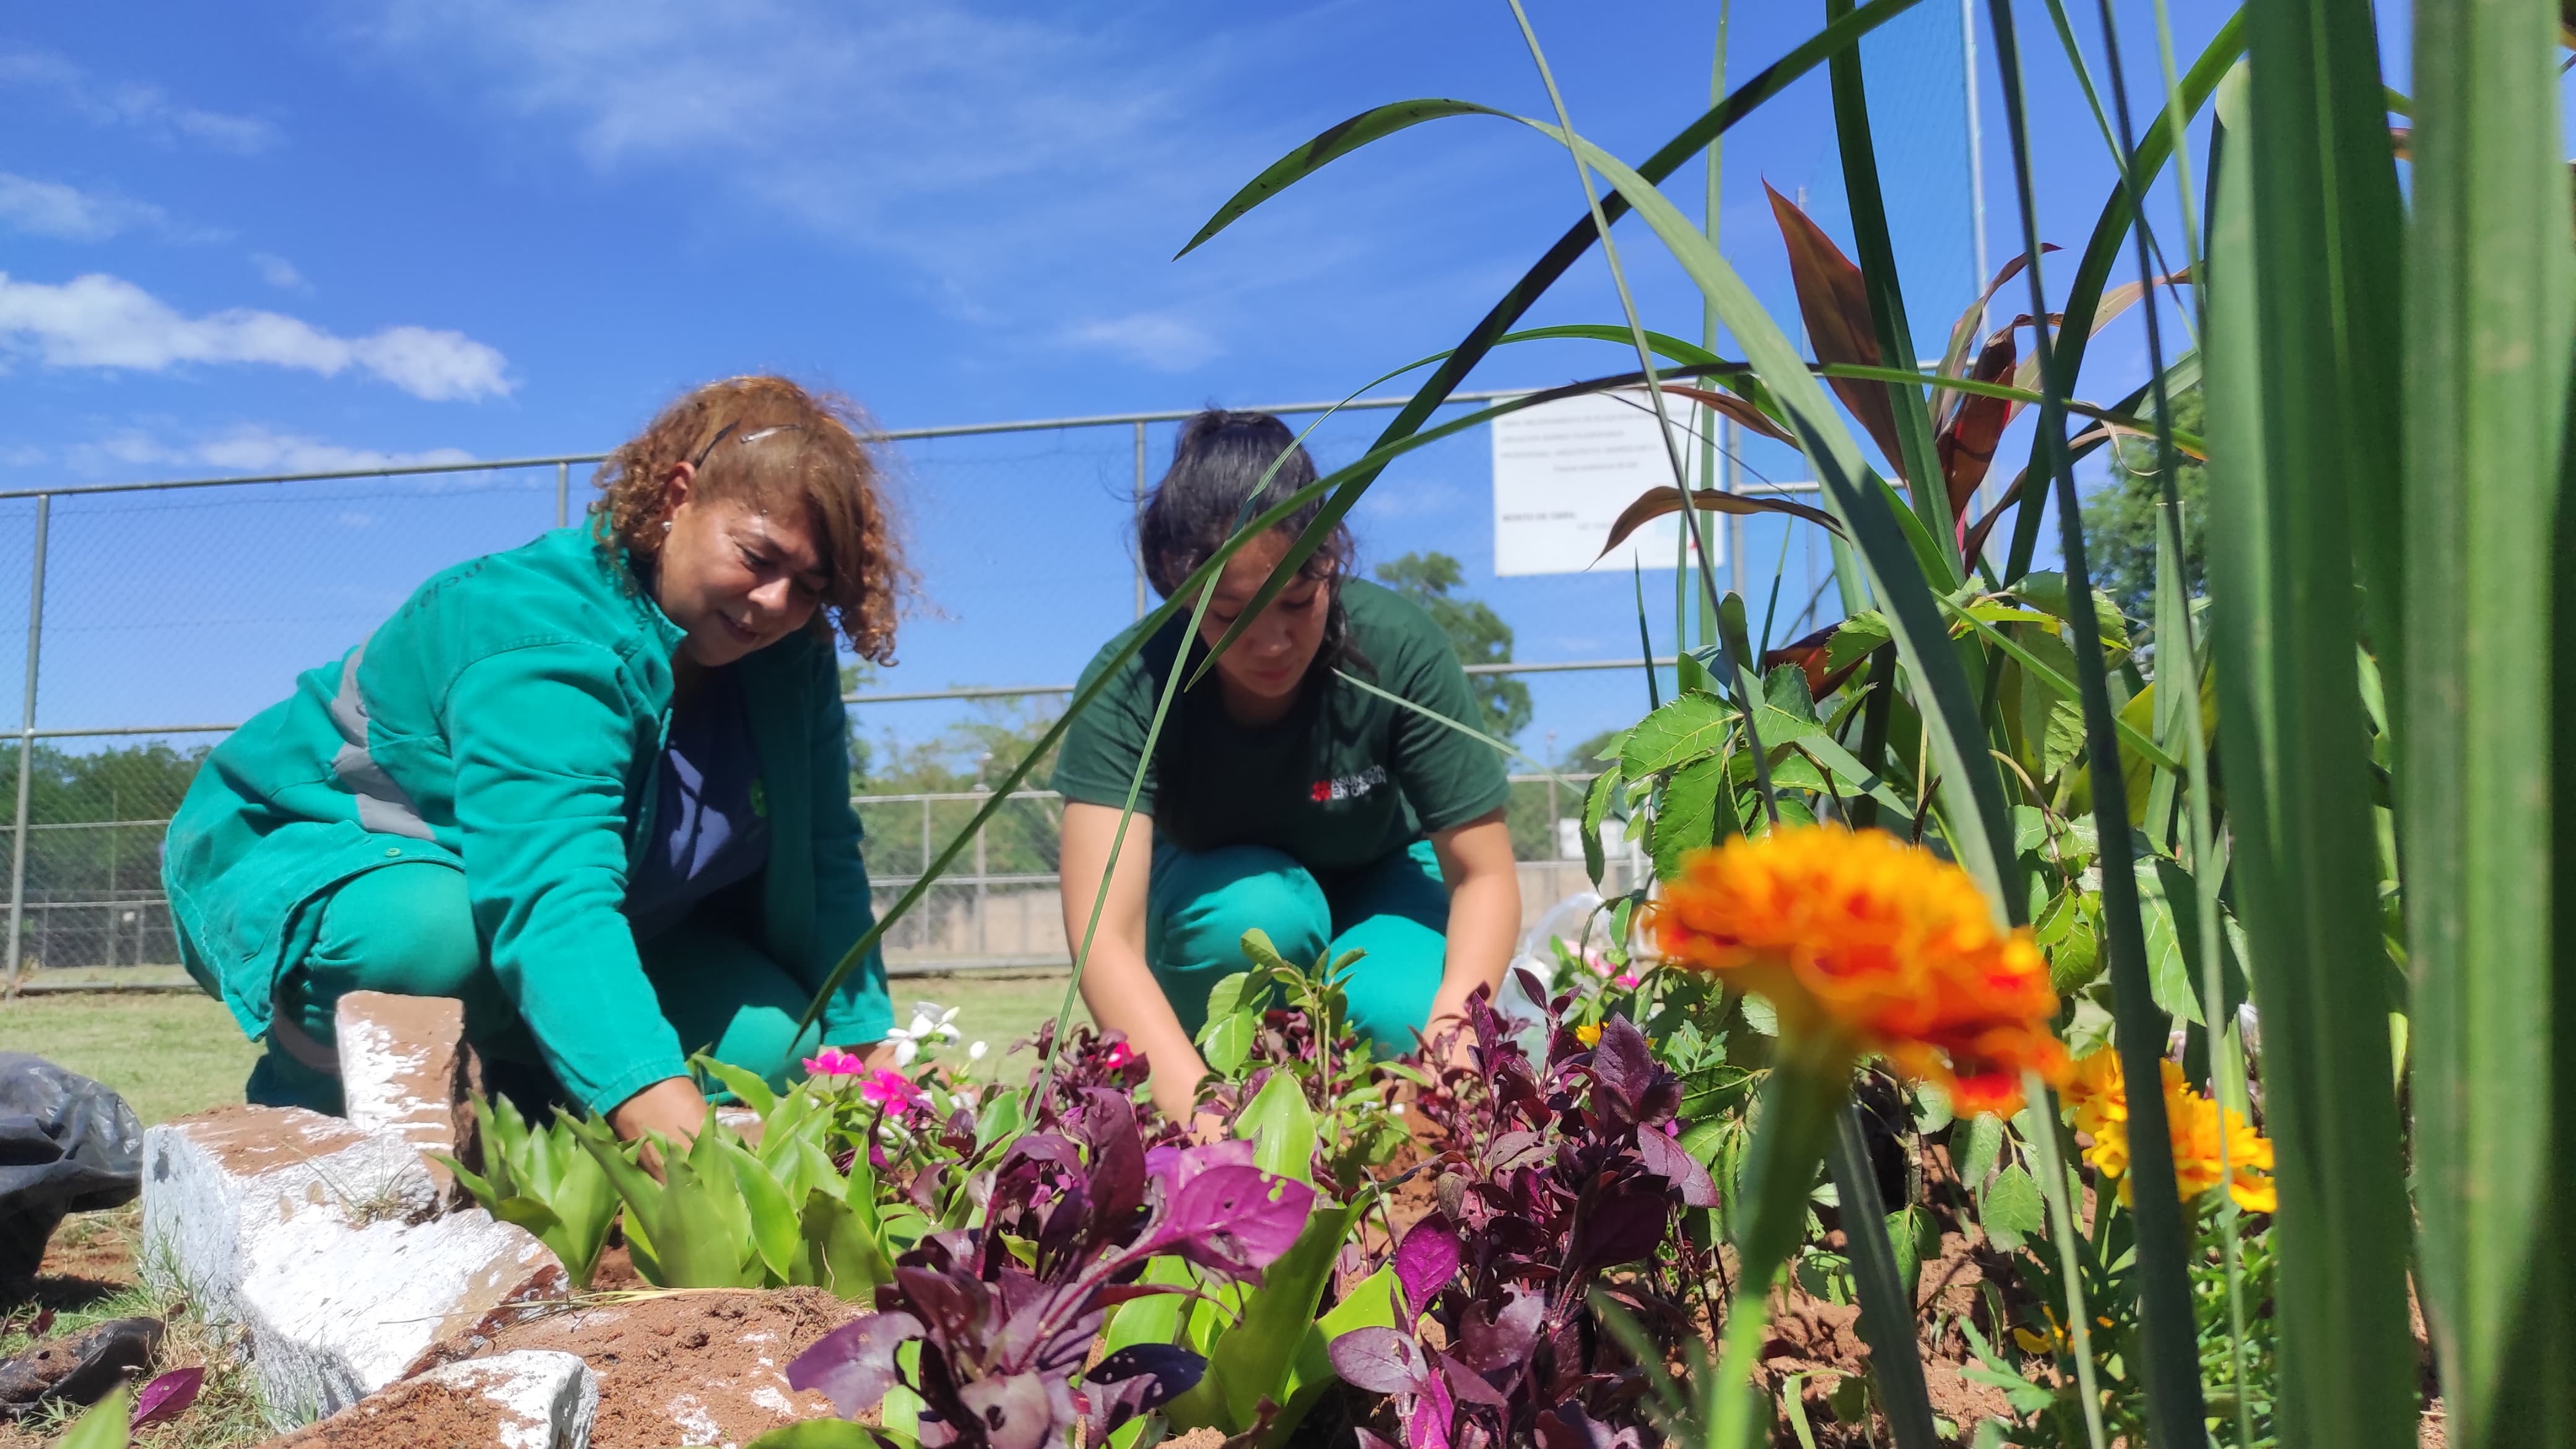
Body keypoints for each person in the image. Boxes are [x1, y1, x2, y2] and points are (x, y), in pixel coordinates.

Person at [162, 376, 904, 1150]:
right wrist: (663, 1121)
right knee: (424, 935)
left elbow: (823, 848)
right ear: (677, 497)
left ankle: (532, 1094)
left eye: (809, 587)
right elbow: (551, 890)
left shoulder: (787, 659)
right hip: (336, 860)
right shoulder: (539, 629)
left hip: (590, 914)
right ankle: (313, 1118)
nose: (776, 603)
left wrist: (864, 1044)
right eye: (757, 557)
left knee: (780, 1053)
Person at [1051, 409, 1522, 1125]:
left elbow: (1482, 875)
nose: (1271, 642)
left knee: (1394, 1008)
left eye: (1298, 601)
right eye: (1229, 614)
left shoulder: (1399, 648)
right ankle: (1226, 1087)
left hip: (1385, 877)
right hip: (1217, 894)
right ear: (1179, 586)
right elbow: (1102, 939)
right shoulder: (1132, 681)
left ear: (1332, 559)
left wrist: (1450, 1058)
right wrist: (1202, 1123)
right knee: (1253, 918)